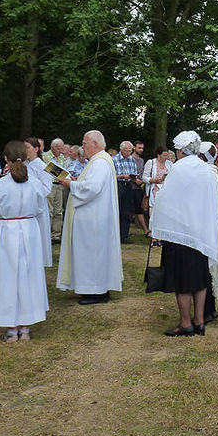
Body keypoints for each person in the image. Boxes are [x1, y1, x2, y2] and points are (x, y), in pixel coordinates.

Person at [150, 131, 218, 337]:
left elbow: (165, 199)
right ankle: (199, 321)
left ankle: (185, 323)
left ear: (181, 149)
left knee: (181, 280)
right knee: (200, 279)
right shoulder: (205, 169)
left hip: (180, 232)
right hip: (200, 233)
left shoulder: (178, 169)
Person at [0, 141, 49, 342]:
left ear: (5, 159)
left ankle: (12, 329)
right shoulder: (35, 184)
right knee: (28, 275)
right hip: (29, 229)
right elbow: (39, 208)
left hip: (7, 230)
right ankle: (25, 328)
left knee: (7, 277)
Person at [56, 130, 123, 305]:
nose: (82, 146)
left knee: (92, 254)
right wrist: (77, 181)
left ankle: (95, 291)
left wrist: (71, 184)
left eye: (85, 143)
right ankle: (96, 289)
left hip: (93, 218)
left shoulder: (100, 162)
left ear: (95, 143)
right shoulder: (98, 161)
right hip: (94, 215)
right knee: (93, 254)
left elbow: (92, 188)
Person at [24, 137, 54, 267]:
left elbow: (46, 188)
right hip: (24, 205)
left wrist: (31, 192)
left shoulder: (43, 166)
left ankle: (38, 261)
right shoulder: (24, 165)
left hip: (37, 206)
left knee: (38, 234)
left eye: (28, 148)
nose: (25, 151)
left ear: (36, 149)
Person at [114, 141, 148, 243]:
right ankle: (115, 236)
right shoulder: (114, 160)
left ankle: (124, 236)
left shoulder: (132, 160)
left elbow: (134, 174)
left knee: (127, 212)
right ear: (121, 150)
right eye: (126, 151)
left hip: (129, 186)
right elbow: (111, 176)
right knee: (118, 211)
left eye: (130, 151)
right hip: (118, 185)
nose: (128, 153)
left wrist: (135, 179)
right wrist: (122, 176)